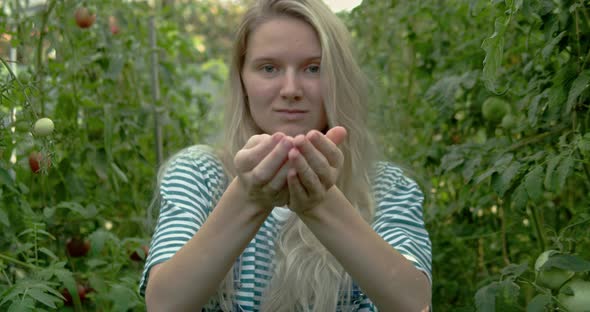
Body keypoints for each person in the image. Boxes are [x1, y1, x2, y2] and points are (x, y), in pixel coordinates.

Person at [139, 0, 432, 310]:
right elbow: (164, 304)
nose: (291, 89)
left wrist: (320, 202)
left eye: (313, 68)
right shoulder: (200, 173)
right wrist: (249, 197)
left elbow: (413, 303)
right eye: (269, 68)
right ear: (243, 80)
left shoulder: (384, 186)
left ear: (339, 79)